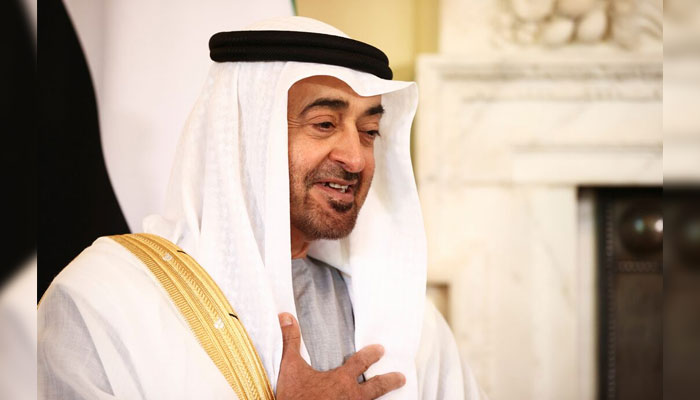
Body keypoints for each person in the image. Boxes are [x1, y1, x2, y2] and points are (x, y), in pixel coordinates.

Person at [38, 16, 485, 399]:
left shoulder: (405, 315)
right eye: (324, 124)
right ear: (245, 135)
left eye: (369, 131)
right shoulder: (105, 299)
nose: (355, 158)